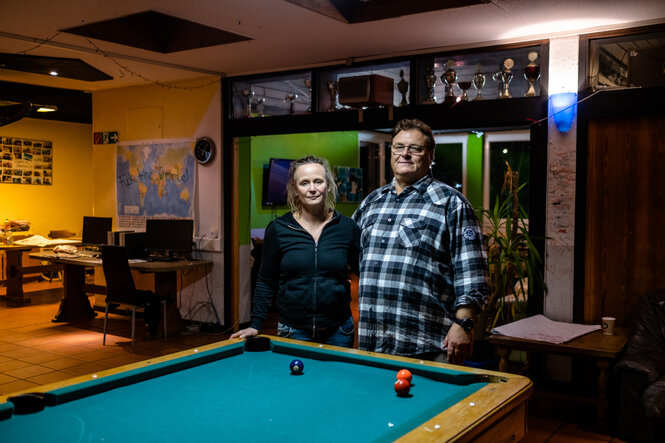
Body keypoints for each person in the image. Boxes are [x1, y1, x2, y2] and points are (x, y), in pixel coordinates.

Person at [352, 118, 488, 364]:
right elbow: (349, 257)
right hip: (373, 342)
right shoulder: (371, 203)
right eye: (398, 147)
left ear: (430, 155)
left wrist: (464, 324)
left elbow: (472, 272)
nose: (405, 154)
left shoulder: (451, 203)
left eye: (414, 148)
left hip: (429, 343)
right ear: (390, 151)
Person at [231, 155, 360, 347]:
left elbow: (364, 272)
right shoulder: (278, 228)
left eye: (318, 181)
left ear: (329, 185)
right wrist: (256, 323)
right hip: (293, 331)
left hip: (339, 330)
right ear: (294, 189)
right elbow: (266, 279)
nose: (312, 189)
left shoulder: (347, 227)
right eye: (304, 183)